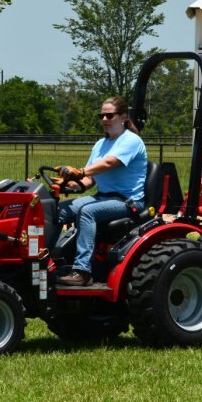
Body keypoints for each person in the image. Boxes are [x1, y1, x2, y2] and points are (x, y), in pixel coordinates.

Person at [55, 96, 147, 286]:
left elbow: (109, 163)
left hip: (127, 201)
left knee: (87, 211)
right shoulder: (100, 144)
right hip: (102, 197)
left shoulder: (131, 141)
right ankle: (46, 261)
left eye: (109, 115)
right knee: (58, 210)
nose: (104, 119)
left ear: (123, 117)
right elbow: (89, 181)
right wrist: (67, 183)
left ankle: (82, 271)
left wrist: (79, 172)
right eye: (102, 115)